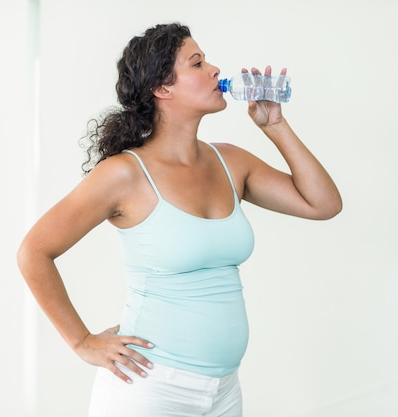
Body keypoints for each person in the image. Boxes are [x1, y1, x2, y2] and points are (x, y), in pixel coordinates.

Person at [17, 22, 342, 417]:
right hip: (149, 389)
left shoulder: (230, 162)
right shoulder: (125, 174)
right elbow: (34, 251)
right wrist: (82, 342)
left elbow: (322, 204)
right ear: (162, 88)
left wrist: (275, 126)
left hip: (224, 391)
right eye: (197, 63)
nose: (215, 70)